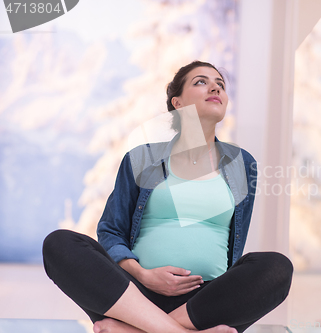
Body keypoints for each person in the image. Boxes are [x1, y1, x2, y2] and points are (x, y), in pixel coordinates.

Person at [43, 61, 293, 333]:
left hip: (206, 303)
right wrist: (143, 275)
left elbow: (235, 242)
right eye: (201, 82)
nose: (215, 87)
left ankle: (138, 330)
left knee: (277, 268)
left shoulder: (242, 164)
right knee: (59, 243)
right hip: (132, 296)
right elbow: (111, 230)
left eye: (220, 84)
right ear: (177, 102)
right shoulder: (142, 158)